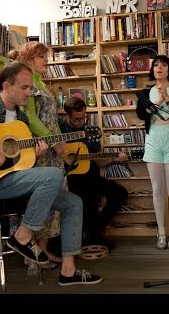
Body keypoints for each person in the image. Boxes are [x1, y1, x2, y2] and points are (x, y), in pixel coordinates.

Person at [0, 61, 102, 285]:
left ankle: (68, 272)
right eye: (24, 88)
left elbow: (21, 165)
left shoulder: (22, 120)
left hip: (8, 182)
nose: (29, 93)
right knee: (53, 174)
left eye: (30, 88)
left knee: (73, 203)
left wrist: (36, 150)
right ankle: (23, 237)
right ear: (6, 86)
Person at [8, 42, 65, 268]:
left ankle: (42, 250)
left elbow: (51, 119)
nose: (47, 60)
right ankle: (32, 255)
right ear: (29, 59)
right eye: (42, 56)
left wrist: (60, 140)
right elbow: (29, 118)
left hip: (50, 150)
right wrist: (55, 140)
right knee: (39, 201)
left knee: (52, 204)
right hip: (37, 150)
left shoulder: (41, 83)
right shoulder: (28, 84)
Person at [59, 96, 128, 249]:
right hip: (67, 179)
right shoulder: (59, 128)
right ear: (67, 115)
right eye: (77, 119)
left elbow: (98, 160)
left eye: (83, 117)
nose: (81, 121)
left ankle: (94, 231)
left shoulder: (90, 131)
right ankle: (90, 236)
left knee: (120, 193)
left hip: (89, 175)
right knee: (87, 200)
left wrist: (114, 159)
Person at [135, 55, 169, 250]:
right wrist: (155, 101)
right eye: (156, 65)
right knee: (157, 189)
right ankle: (161, 233)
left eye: (164, 65)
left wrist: (166, 96)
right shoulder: (144, 92)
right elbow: (141, 114)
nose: (159, 68)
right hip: (153, 140)